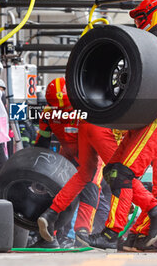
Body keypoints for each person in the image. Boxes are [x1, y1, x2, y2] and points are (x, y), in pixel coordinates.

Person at [75, 0, 157, 251]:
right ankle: (146, 225)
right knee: (112, 171)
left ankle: (111, 234)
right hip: (142, 117)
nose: (140, 23)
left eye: (141, 17)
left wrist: (155, 74)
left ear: (156, 15)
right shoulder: (146, 46)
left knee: (122, 173)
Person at [35, 77, 118, 248]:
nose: (63, 113)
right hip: (67, 156)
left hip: (92, 156)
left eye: (66, 108)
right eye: (58, 109)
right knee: (57, 191)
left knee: (91, 190)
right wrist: (39, 169)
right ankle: (52, 237)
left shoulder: (86, 110)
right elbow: (42, 143)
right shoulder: (47, 114)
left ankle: (81, 235)